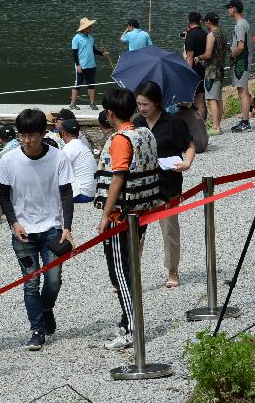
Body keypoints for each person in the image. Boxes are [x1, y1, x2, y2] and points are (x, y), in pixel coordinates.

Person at [0, 109, 74, 350]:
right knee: (30, 282)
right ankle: (36, 329)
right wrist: (14, 222)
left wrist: (67, 227)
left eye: (32, 135)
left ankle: (46, 308)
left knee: (53, 279)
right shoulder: (9, 159)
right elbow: (4, 195)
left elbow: (66, 193)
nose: (26, 141)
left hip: (52, 227)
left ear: (42, 134)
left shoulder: (58, 157)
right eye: (22, 135)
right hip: (24, 231)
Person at [94, 89, 161, 350]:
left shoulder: (121, 139)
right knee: (130, 269)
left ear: (110, 113)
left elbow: (118, 177)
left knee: (120, 272)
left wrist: (104, 216)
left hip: (121, 215)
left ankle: (133, 329)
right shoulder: (144, 132)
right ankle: (127, 319)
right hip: (141, 211)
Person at [133, 82, 195, 288]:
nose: (142, 108)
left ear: (157, 102)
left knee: (169, 230)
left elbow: (189, 145)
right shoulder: (136, 123)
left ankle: (172, 270)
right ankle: (132, 272)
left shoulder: (173, 122)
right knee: (136, 232)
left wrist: (186, 163)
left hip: (168, 183)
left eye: (146, 104)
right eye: (139, 103)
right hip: (142, 185)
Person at [197, 11, 229, 136]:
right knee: (219, 98)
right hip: (221, 69)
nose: (205, 24)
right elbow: (227, 49)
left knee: (211, 99)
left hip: (211, 70)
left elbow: (208, 54)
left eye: (206, 22)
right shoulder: (222, 33)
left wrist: (199, 57)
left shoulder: (211, 35)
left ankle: (215, 127)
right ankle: (218, 124)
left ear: (209, 22)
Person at [70, 17, 109, 110]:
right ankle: (72, 103)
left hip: (91, 65)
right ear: (84, 28)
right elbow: (74, 53)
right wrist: (78, 65)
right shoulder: (76, 38)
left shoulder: (91, 38)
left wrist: (102, 53)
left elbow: (93, 50)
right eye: (89, 26)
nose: (91, 27)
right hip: (81, 66)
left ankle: (92, 103)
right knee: (78, 84)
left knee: (91, 84)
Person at [226, 0, 253, 132]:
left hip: (242, 62)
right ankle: (244, 118)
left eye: (229, 8)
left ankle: (245, 122)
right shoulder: (242, 23)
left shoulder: (240, 25)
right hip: (243, 61)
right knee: (243, 91)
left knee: (242, 92)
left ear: (234, 9)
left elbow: (241, 46)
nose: (228, 10)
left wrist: (232, 55)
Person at [59, 118, 97, 202]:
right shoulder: (82, 145)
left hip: (81, 194)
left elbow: (56, 169)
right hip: (90, 192)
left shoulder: (70, 146)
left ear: (64, 132)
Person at [183, 12, 208, 119]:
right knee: (200, 100)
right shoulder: (205, 33)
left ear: (188, 22)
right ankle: (202, 125)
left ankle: (194, 125)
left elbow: (190, 56)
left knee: (190, 101)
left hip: (194, 71)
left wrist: (187, 72)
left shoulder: (190, 35)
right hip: (204, 69)